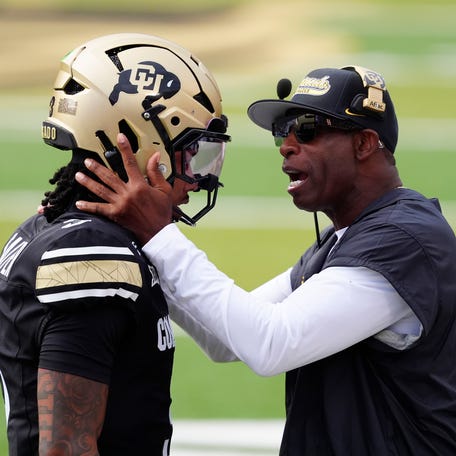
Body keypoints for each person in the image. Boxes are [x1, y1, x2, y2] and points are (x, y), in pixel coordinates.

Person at [75, 64, 456, 455]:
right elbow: (224, 341)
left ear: (363, 143)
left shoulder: (402, 239)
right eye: (282, 133)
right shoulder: (348, 238)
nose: (287, 146)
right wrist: (137, 242)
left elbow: (271, 343)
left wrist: (159, 235)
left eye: (306, 129)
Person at [0, 32, 230, 455]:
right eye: (190, 150)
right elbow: (66, 447)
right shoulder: (91, 252)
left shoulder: (49, 228)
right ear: (141, 143)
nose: (198, 179)